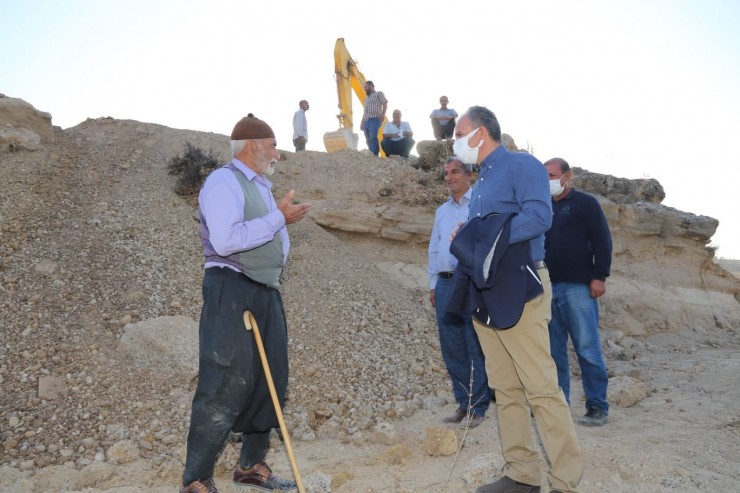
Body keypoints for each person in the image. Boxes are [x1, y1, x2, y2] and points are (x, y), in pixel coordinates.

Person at [451, 107, 583, 493]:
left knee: (541, 388)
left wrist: (487, 236)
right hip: (488, 289)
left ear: (480, 133)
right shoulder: (481, 183)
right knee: (505, 388)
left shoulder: (521, 165)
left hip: (522, 284)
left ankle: (565, 482)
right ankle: (522, 474)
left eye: (458, 133)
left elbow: (540, 217)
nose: (454, 141)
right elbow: (489, 235)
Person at [179, 115, 311, 493]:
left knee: (270, 380)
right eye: (271, 145)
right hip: (231, 288)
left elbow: (265, 231)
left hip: (265, 289)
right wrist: (277, 220)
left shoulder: (262, 187)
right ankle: (196, 478)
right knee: (224, 381)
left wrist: (279, 221)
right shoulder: (223, 182)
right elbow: (225, 240)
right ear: (251, 146)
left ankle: (250, 465)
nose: (277, 153)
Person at [544, 157, 613, 427]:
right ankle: (560, 407)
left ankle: (597, 406)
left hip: (579, 288)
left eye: (551, 175)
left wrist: (599, 276)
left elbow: (602, 240)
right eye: (544, 176)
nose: (547, 181)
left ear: (566, 176)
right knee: (554, 352)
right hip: (547, 289)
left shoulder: (586, 203)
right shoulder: (542, 205)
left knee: (587, 348)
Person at [428, 157, 492, 429]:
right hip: (444, 283)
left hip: (471, 281)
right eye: (446, 173)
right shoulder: (442, 211)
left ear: (469, 175)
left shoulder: (480, 203)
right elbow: (434, 248)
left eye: (455, 172)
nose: (449, 177)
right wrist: (432, 283)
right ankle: (462, 402)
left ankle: (478, 406)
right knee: (451, 345)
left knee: (474, 342)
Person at [359, 80, 387, 156]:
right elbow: (365, 112)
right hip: (366, 121)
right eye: (364, 87)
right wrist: (362, 122)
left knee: (373, 137)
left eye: (366, 87)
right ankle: (370, 153)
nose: (364, 88)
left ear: (372, 86)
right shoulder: (366, 99)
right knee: (368, 139)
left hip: (375, 119)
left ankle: (375, 154)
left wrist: (383, 114)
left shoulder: (378, 94)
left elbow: (385, 103)